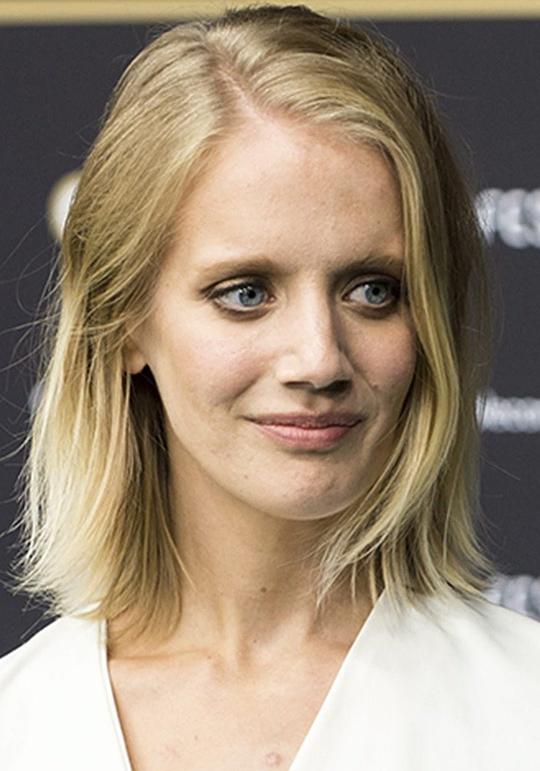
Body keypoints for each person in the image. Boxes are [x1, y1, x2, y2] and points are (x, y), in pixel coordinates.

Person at [1, 4, 539, 770]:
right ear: (123, 323)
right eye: (246, 293)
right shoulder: (19, 723)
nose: (319, 360)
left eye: (373, 290)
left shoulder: (524, 708)